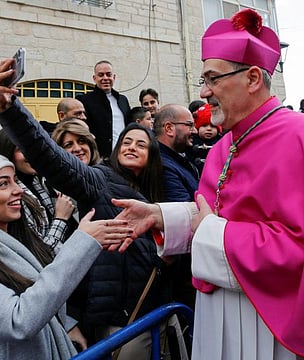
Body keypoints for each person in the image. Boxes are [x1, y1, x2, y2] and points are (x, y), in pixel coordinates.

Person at [112, 8, 304, 359]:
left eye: (213, 79)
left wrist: (214, 233)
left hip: (264, 320)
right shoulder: (224, 145)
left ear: (253, 78)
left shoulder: (297, 137)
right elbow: (215, 214)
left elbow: (295, 243)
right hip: (215, 310)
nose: (204, 91)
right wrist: (161, 216)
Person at [0, 63, 184, 360]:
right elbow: (51, 158)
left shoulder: (162, 194)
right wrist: (11, 109)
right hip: (123, 323)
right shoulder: (100, 180)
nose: (131, 147)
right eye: (126, 142)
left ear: (153, 157)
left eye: (141, 144)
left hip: (163, 311)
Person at [0, 150, 132, 360]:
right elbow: (18, 320)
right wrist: (82, 243)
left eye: (15, 181)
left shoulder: (20, 240)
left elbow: (42, 287)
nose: (18, 190)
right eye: (3, 184)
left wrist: (66, 324)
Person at [0, 129, 76, 254]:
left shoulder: (39, 181)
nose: (32, 154)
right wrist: (61, 218)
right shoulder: (13, 197)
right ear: (8, 153)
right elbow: (40, 253)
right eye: (22, 149)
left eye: (35, 147)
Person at [76, 60, 131, 158]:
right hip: (98, 158)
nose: (105, 78)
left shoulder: (123, 100)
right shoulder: (84, 100)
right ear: (94, 78)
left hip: (122, 156)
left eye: (108, 75)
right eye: (101, 75)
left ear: (114, 77)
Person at [153, 104, 199, 202]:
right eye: (190, 125)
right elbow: (182, 212)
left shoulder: (176, 159)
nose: (195, 131)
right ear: (169, 128)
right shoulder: (162, 167)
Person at [188, 103, 223, 174]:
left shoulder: (222, 141)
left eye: (213, 126)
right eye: (204, 126)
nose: (209, 129)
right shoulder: (191, 141)